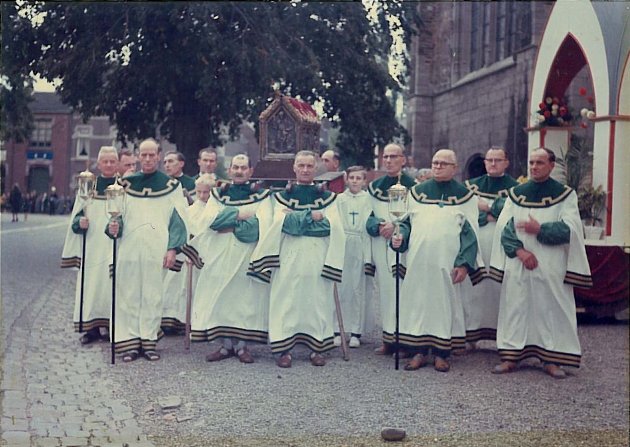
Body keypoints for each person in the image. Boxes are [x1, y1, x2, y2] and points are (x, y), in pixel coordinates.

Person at [489, 148, 592, 379]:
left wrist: (540, 229)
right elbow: (504, 228)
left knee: (550, 309)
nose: (534, 167)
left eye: (540, 162)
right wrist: (520, 251)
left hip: (551, 263)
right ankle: (511, 356)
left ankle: (551, 359)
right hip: (519, 263)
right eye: (531, 162)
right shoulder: (516, 194)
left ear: (551, 165)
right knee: (516, 306)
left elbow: (572, 231)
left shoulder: (565, 195)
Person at [250, 150, 345, 368]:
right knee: (286, 300)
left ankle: (317, 348)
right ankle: (283, 349)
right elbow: (282, 225)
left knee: (317, 300)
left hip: (317, 256)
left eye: (309, 166)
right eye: (300, 165)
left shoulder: (328, 198)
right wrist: (310, 216)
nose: (304, 170)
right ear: (294, 168)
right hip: (287, 257)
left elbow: (330, 228)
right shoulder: (280, 197)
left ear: (316, 168)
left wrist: (295, 220)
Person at [392, 149, 482, 373]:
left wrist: (464, 263)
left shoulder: (464, 196)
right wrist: (400, 236)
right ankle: (418, 352)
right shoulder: (416, 193)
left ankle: (442, 353)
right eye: (435, 162)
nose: (438, 167)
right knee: (418, 304)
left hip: (447, 263)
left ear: (455, 167)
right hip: (418, 261)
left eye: (443, 163)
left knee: (443, 306)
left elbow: (470, 234)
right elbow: (406, 223)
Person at [106, 138, 189, 362]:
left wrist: (173, 248)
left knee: (152, 294)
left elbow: (178, 220)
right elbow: (117, 215)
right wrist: (114, 226)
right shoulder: (125, 184)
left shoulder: (171, 186)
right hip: (130, 247)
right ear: (138, 156)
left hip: (157, 248)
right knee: (130, 293)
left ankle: (149, 340)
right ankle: (131, 342)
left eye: (152, 155)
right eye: (144, 155)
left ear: (159, 156)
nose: (148, 159)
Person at [189, 154, 273, 364]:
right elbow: (211, 221)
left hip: (246, 252)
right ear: (229, 170)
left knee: (243, 298)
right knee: (221, 297)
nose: (239, 171)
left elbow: (258, 227)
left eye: (243, 168)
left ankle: (242, 346)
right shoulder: (218, 194)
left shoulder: (261, 195)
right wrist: (242, 214)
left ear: (251, 171)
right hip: (221, 253)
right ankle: (226, 346)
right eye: (235, 167)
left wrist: (230, 220)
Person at [61, 146, 119, 344]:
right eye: (106, 161)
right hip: (93, 244)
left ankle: (115, 327)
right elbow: (77, 214)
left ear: (117, 162)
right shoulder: (89, 185)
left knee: (114, 286)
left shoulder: (124, 186)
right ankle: (92, 328)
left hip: (115, 243)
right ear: (99, 163)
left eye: (113, 161)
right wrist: (80, 223)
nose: (109, 165)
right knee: (92, 285)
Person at [462, 147, 518, 348]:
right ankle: (470, 337)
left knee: (499, 289)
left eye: (497, 160)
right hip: (477, 243)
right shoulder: (470, 187)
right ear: (484, 162)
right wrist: (491, 214)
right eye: (489, 160)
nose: (493, 164)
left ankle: (502, 339)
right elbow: (465, 215)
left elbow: (514, 215)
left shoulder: (516, 188)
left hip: (502, 245)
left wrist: (487, 207)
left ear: (506, 163)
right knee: (473, 288)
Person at [366, 143, 416, 356]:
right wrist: (378, 225)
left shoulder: (413, 187)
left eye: (393, 156)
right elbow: (366, 216)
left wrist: (396, 227)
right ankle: (388, 339)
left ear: (403, 160)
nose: (388, 160)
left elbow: (416, 217)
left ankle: (405, 342)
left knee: (402, 293)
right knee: (386, 293)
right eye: (385, 156)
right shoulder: (375, 186)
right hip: (380, 243)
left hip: (402, 246)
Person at [334, 166, 374, 348]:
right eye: (352, 178)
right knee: (342, 287)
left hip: (360, 241)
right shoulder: (340, 199)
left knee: (358, 288)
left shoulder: (369, 200)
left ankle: (356, 332)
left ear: (364, 181)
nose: (355, 181)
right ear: (346, 179)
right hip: (343, 242)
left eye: (359, 178)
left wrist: (368, 257)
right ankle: (338, 329)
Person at [161, 150, 198, 334]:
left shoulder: (192, 184)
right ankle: (164, 319)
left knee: (180, 280)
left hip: (186, 236)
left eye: (171, 161)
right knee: (166, 280)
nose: (166, 165)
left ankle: (181, 320)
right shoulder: (161, 183)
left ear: (181, 163)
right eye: (165, 162)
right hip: (164, 233)